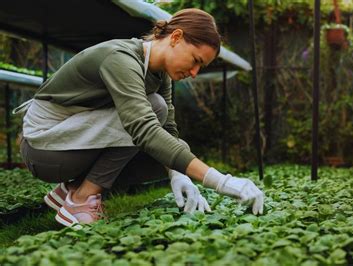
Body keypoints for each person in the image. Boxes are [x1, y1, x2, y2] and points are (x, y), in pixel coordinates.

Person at [14, 8, 264, 228]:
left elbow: (168, 130)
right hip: (43, 148)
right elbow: (143, 128)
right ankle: (80, 200)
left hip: (70, 143)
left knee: (168, 141)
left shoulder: (159, 75)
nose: (195, 73)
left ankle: (70, 191)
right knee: (153, 110)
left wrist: (179, 174)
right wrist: (220, 181)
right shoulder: (120, 58)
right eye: (196, 61)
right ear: (176, 37)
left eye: (201, 67)